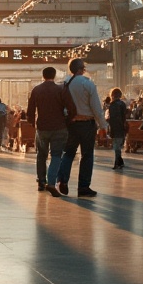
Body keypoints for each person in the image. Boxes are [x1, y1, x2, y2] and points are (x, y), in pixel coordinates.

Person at [57, 58, 103, 197]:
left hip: (71, 123)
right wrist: (103, 125)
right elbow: (96, 107)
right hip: (87, 124)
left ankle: (62, 180)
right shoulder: (87, 84)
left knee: (68, 152)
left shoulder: (65, 85)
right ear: (81, 69)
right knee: (87, 155)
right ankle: (83, 187)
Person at [26, 66, 69, 194]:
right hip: (59, 127)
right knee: (56, 155)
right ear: (54, 76)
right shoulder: (60, 89)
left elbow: (30, 110)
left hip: (42, 127)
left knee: (41, 155)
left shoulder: (37, 90)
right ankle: (51, 182)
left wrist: (33, 123)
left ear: (43, 76)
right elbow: (68, 108)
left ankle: (41, 181)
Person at [106, 87, 128, 170]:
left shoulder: (113, 105)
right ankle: (120, 162)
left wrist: (109, 123)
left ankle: (117, 163)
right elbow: (124, 116)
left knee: (116, 146)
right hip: (121, 127)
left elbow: (112, 118)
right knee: (118, 146)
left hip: (115, 128)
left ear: (112, 95)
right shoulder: (122, 104)